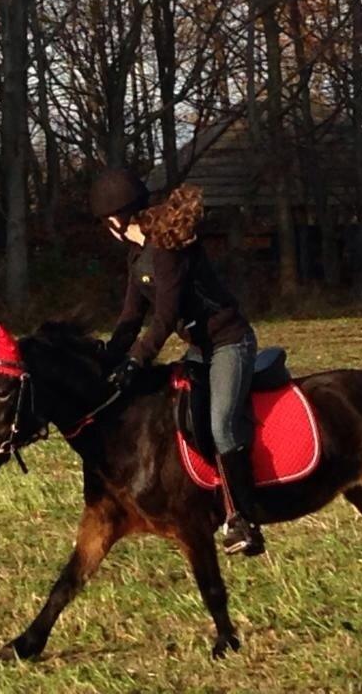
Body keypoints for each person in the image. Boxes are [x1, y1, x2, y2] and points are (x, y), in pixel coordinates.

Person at [90, 167, 265, 556]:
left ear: (116, 220)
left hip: (229, 343)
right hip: (200, 349)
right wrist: (109, 355)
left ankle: (245, 521)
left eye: (105, 222)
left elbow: (165, 318)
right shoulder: (138, 255)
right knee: (183, 420)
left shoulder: (165, 250)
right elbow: (130, 317)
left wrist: (138, 359)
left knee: (221, 424)